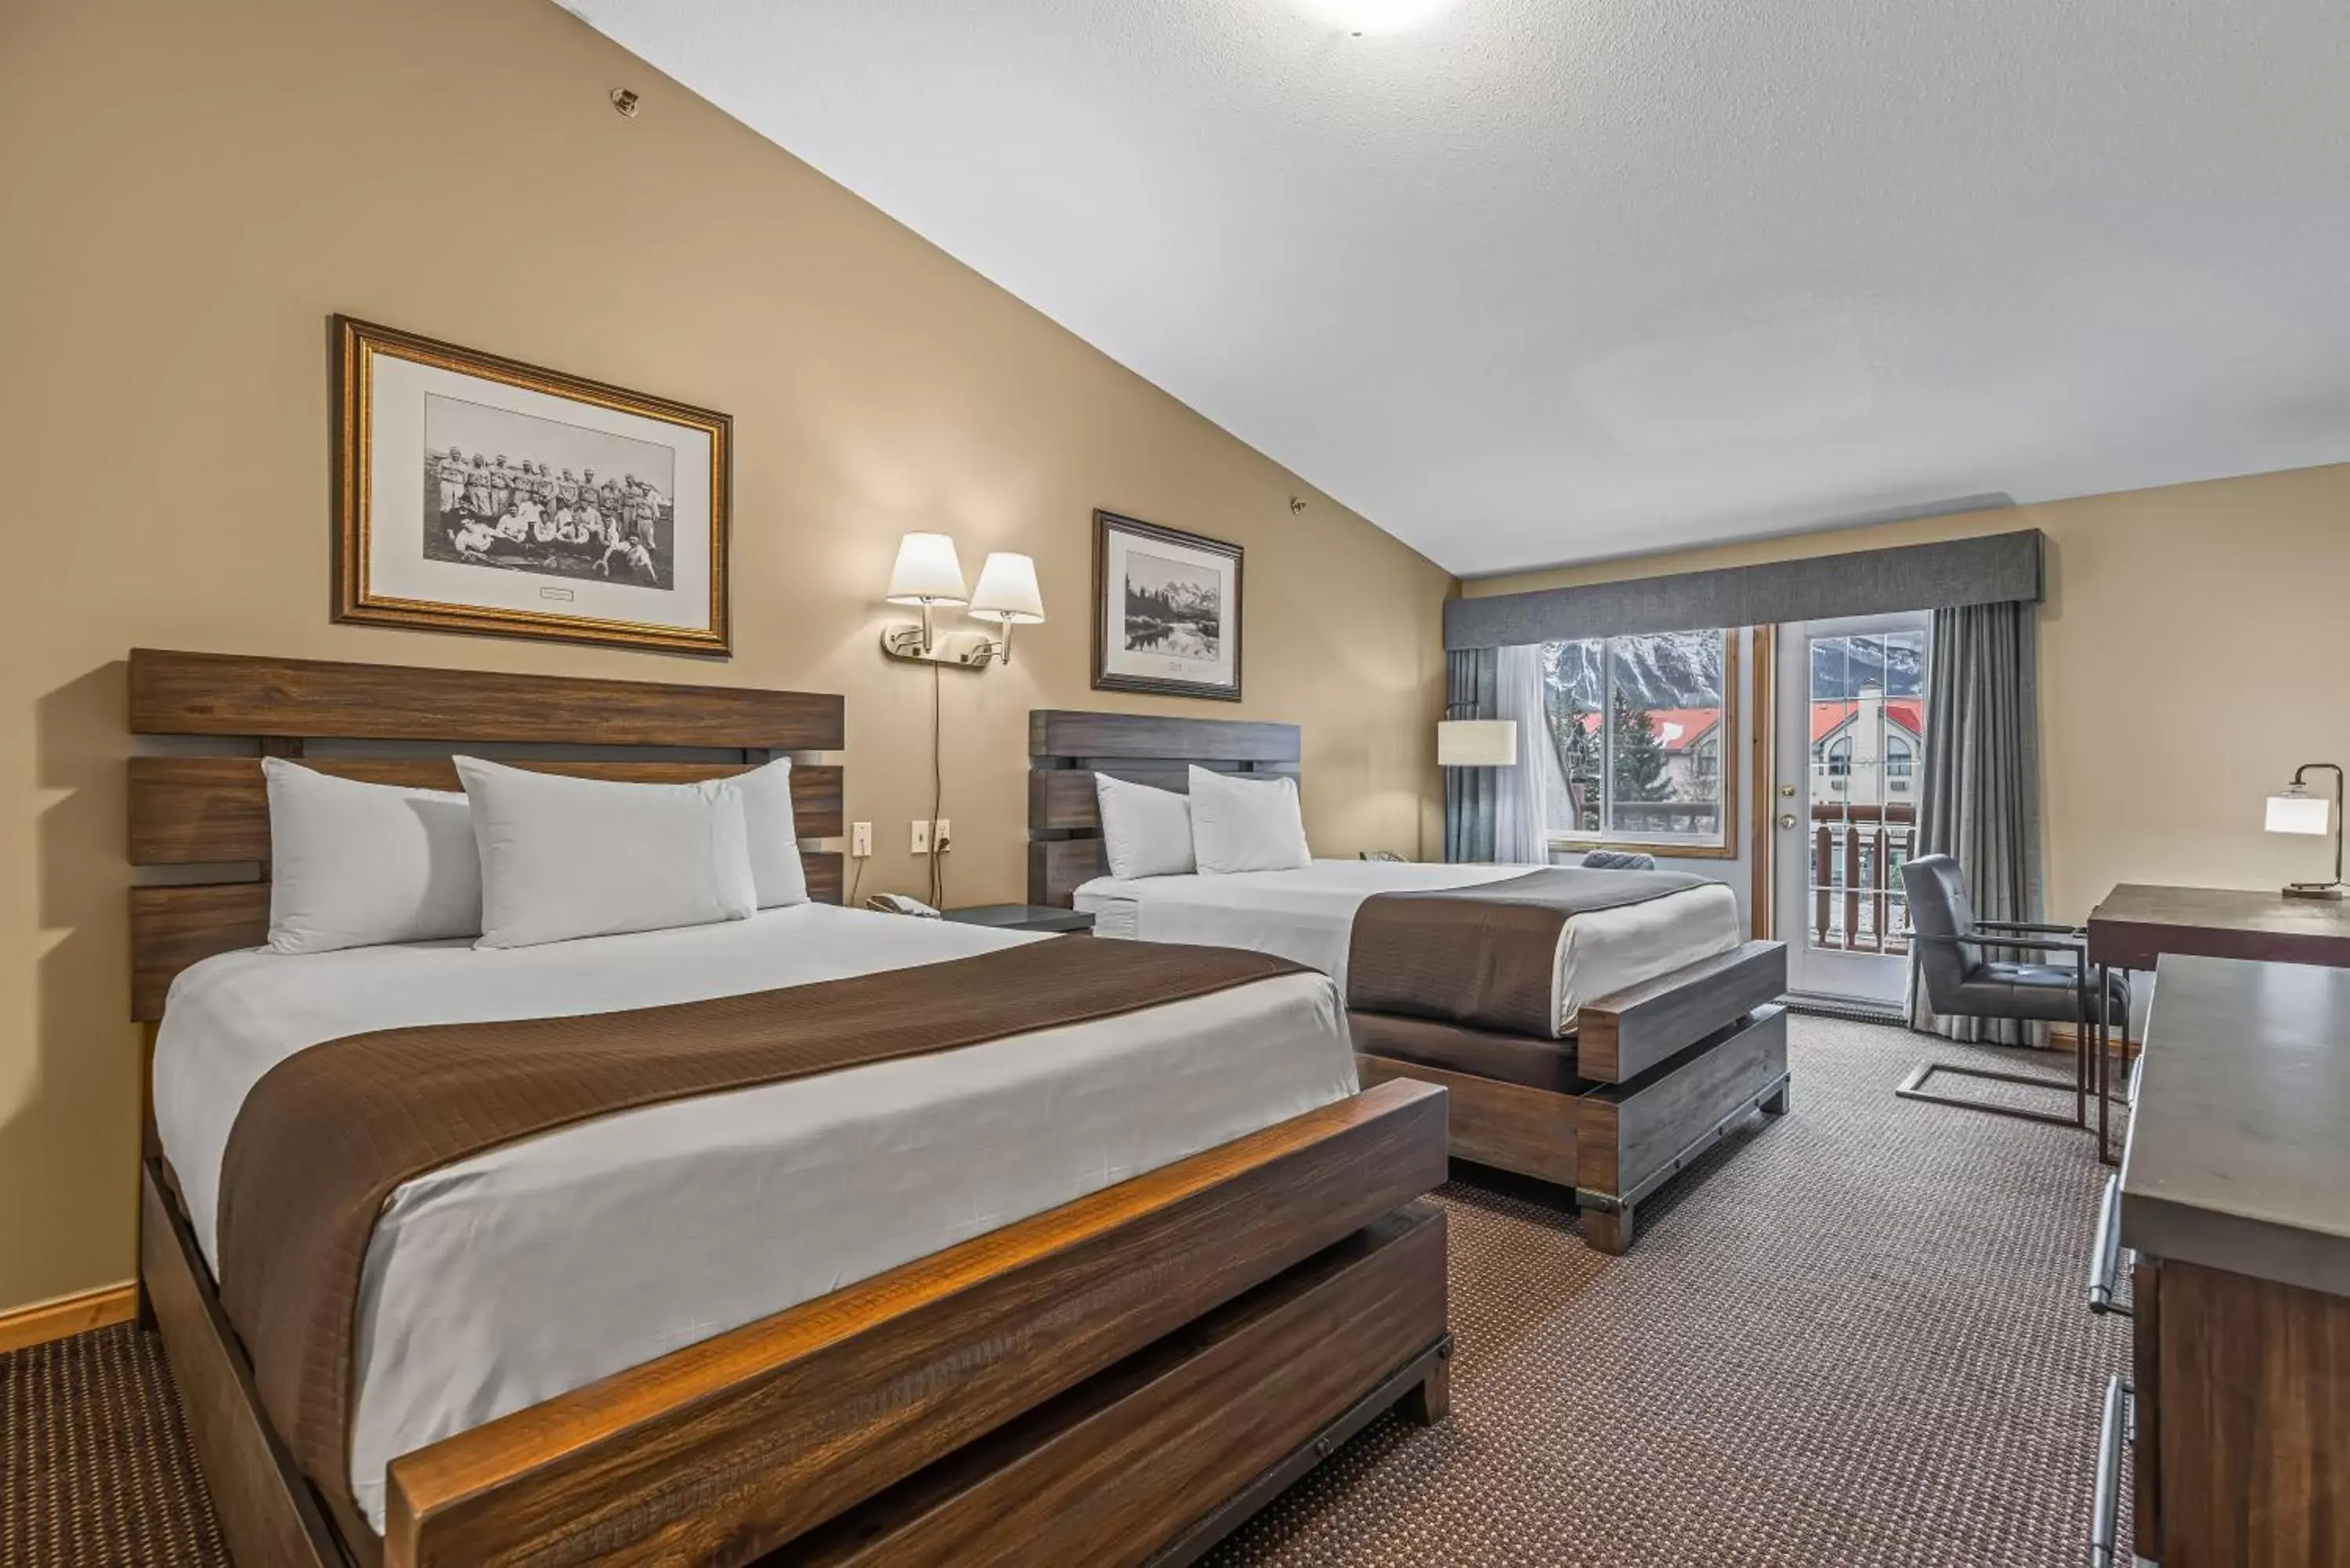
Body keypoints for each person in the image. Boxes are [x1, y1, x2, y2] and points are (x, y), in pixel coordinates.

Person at [434, 449, 468, 516]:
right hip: (447, 482)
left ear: (460, 455)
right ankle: (445, 519)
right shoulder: (444, 462)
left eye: (458, 454)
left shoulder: (463, 465)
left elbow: (465, 478)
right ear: (451, 454)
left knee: (458, 501)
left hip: (458, 484)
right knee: (446, 500)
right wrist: (441, 481)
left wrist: (461, 484)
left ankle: (455, 519)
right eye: (454, 453)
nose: (456, 455)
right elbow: (438, 473)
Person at [465, 453, 495, 518]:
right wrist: (466, 490)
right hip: (472, 487)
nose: (479, 461)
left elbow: (488, 481)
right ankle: (473, 519)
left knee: (484, 504)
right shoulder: (469, 469)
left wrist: (489, 490)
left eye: (480, 459)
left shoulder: (485, 470)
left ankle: (485, 520)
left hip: (482, 488)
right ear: (474, 460)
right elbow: (465, 480)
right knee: (474, 504)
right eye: (477, 459)